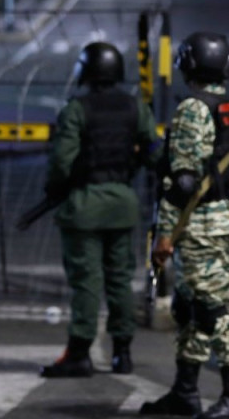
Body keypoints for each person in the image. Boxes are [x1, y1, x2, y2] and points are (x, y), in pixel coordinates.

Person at [138, 31, 229, 419]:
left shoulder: (191, 109)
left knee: (210, 311)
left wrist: (164, 236)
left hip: (197, 224)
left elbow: (184, 182)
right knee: (190, 307)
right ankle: (185, 392)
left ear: (188, 64)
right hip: (223, 219)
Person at [39, 41, 162, 378]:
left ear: (87, 72)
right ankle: (122, 353)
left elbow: (62, 162)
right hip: (122, 204)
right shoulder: (136, 108)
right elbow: (154, 153)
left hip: (85, 206)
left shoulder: (77, 109)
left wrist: (55, 188)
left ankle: (79, 353)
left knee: (87, 281)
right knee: (120, 279)